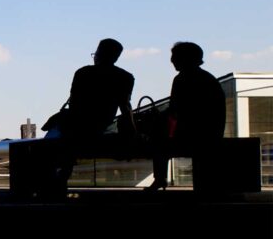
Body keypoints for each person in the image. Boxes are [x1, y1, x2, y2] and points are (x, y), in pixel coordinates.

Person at [42, 38, 136, 195]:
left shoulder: (83, 73)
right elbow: (125, 107)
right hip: (101, 124)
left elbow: (75, 104)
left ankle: (57, 180)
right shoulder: (125, 77)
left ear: (98, 54)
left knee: (50, 144)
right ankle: (60, 179)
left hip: (76, 125)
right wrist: (132, 131)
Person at [147, 42, 226, 191]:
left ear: (184, 59)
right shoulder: (208, 79)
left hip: (193, 136)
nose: (172, 60)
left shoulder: (182, 79)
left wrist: (157, 117)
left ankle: (159, 179)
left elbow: (175, 110)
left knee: (158, 142)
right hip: (210, 135)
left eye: (175, 57)